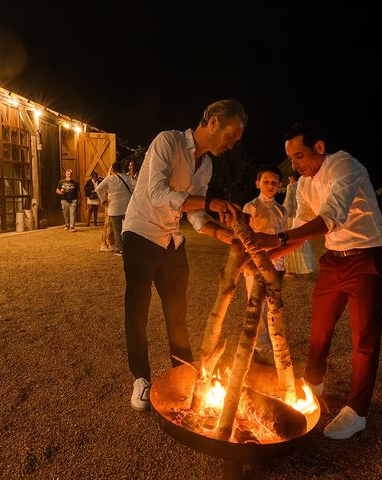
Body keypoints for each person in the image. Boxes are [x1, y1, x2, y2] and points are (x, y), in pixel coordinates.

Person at [246, 122, 382, 440]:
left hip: (366, 257)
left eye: (299, 156)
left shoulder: (344, 166)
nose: (293, 165)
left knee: (363, 340)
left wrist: (277, 236)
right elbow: (301, 231)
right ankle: (313, 383)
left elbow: (329, 218)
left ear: (319, 148)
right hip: (333, 260)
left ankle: (358, 411)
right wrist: (264, 250)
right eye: (290, 158)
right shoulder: (307, 184)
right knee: (320, 327)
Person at [121, 99, 247, 411]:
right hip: (140, 232)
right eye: (231, 136)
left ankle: (184, 373)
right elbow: (158, 194)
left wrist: (221, 233)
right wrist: (211, 202)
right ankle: (140, 378)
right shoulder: (168, 141)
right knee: (137, 311)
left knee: (177, 314)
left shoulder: (206, 165)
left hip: (171, 240)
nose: (232, 144)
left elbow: (194, 213)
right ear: (214, 122)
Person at [242, 164, 287, 366]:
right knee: (255, 307)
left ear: (279, 185)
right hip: (255, 265)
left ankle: (275, 345)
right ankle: (259, 347)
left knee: (273, 307)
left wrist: (282, 264)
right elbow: (244, 236)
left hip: (276, 265)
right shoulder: (251, 207)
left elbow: (283, 239)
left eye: (273, 183)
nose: (270, 186)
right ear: (257, 183)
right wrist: (246, 263)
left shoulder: (282, 210)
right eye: (266, 182)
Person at [95, 162, 135, 256]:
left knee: (117, 229)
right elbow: (137, 185)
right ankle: (128, 247)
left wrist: (104, 200)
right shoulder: (128, 178)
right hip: (127, 207)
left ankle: (120, 248)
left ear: (112, 169)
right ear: (122, 169)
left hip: (114, 207)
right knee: (127, 228)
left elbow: (98, 189)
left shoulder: (109, 179)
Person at [282, 171, 315, 275]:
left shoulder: (291, 186)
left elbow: (288, 203)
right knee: (303, 241)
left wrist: (283, 213)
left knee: (291, 241)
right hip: (303, 216)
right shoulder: (304, 184)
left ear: (291, 178)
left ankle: (292, 269)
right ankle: (305, 267)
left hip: (292, 217)